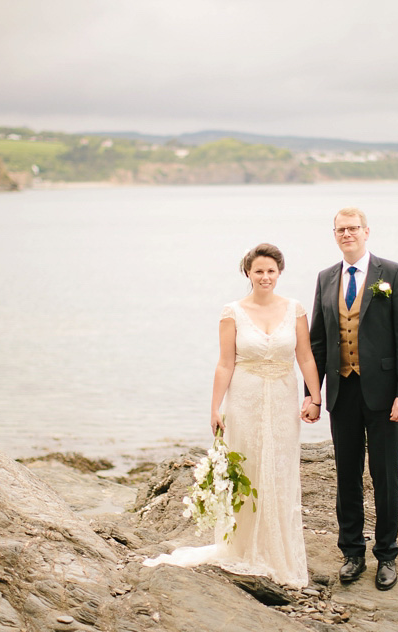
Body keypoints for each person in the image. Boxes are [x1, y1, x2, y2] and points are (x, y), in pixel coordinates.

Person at [145, 243, 323, 589]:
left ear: (279, 273)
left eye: (271, 271)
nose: (265, 277)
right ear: (248, 273)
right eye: (259, 271)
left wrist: (314, 397)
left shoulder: (295, 310)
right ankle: (244, 550)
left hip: (284, 398)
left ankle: (278, 554)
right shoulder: (233, 312)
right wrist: (215, 407)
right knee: (248, 470)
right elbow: (226, 362)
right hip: (244, 398)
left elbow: (306, 357)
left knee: (280, 470)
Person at [305, 207, 398, 591]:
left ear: (367, 231)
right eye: (341, 229)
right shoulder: (325, 278)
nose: (347, 234)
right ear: (334, 234)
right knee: (346, 476)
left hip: (385, 394)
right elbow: (317, 343)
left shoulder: (393, 274)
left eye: (353, 228)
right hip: (342, 391)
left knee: (385, 476)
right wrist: (313, 394)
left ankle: (386, 555)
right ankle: (352, 552)